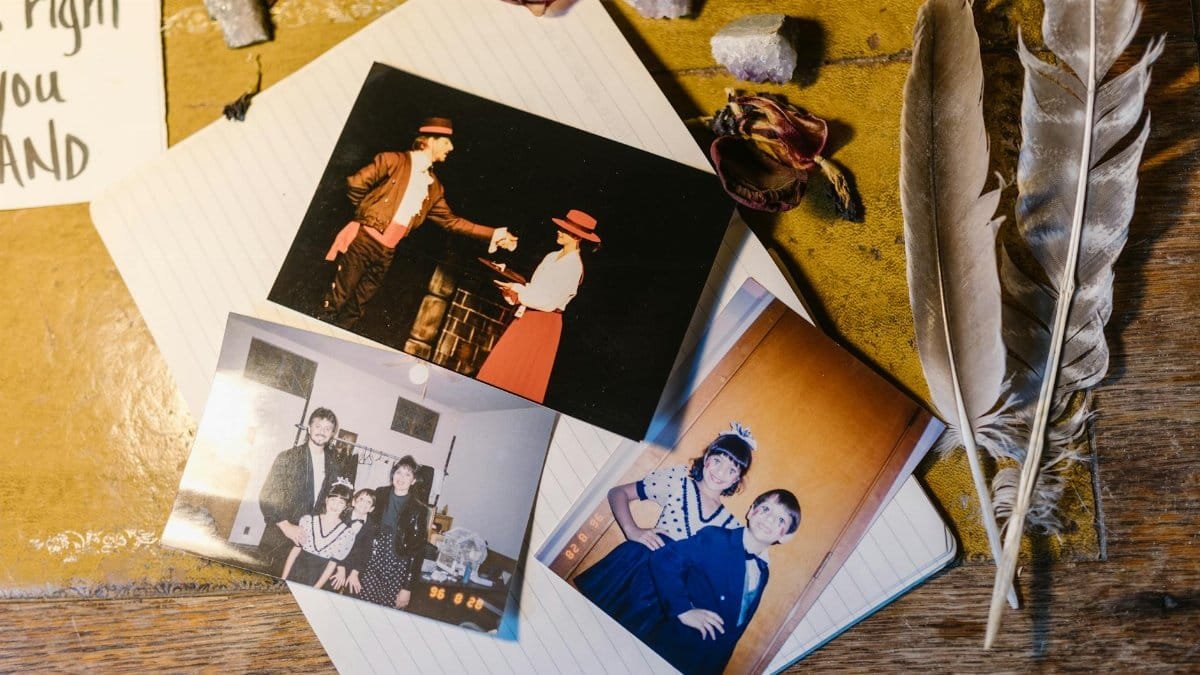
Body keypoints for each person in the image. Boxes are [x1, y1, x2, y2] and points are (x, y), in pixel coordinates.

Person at [320, 117, 519, 329]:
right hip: (363, 242)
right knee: (336, 300)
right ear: (429, 141)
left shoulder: (433, 187)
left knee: (357, 309)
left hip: (387, 252)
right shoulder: (393, 160)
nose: (450, 148)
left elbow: (452, 222)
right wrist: (367, 216)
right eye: (445, 142)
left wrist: (495, 234)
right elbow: (355, 184)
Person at [573, 423, 755, 634]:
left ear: (736, 479)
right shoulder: (678, 480)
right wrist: (632, 530)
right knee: (586, 627)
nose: (721, 472)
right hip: (638, 567)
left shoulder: (730, 526)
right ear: (706, 459)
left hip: (671, 591)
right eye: (717, 461)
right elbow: (617, 493)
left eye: (732, 469)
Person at [643, 489, 801, 675]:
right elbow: (663, 560)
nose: (770, 519)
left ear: (785, 536)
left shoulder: (763, 571)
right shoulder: (715, 539)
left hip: (704, 661)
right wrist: (682, 609)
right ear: (751, 511)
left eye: (781, 520)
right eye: (766, 509)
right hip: (673, 644)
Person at [476, 208, 599, 403]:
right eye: (561, 228)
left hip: (543, 324)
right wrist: (512, 291)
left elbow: (548, 301)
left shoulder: (573, 266)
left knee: (521, 376)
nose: (559, 231)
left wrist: (519, 290)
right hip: (527, 318)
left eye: (565, 230)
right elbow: (535, 289)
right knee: (501, 369)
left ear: (576, 236)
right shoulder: (551, 256)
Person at [258, 407, 358, 575]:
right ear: (309, 428)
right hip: (280, 537)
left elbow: (336, 505)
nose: (322, 432)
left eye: (327, 429)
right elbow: (268, 495)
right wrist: (286, 526)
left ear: (332, 434)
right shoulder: (288, 457)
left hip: (312, 545)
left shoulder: (335, 465)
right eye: (318, 426)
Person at [356, 455, 430, 609]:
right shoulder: (380, 493)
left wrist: (407, 588)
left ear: (414, 480)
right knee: (363, 607)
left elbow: (417, 552)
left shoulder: (419, 509)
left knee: (387, 613)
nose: (401, 477)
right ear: (393, 474)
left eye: (407, 474)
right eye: (398, 472)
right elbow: (364, 524)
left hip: (398, 566)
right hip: (372, 560)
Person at [280, 481, 368, 588]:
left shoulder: (346, 533)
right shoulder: (308, 521)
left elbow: (332, 564)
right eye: (333, 500)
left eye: (341, 503)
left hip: (318, 577)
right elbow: (295, 551)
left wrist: (316, 588)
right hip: (296, 571)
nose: (335, 505)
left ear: (345, 507)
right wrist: (283, 578)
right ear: (326, 500)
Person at [329, 489, 380, 595]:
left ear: (372, 509)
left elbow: (366, 553)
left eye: (368, 502)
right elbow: (332, 544)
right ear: (353, 502)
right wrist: (340, 567)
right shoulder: (340, 517)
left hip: (356, 567)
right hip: (335, 562)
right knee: (331, 586)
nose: (364, 503)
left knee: (353, 590)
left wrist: (355, 573)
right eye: (361, 499)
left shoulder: (372, 526)